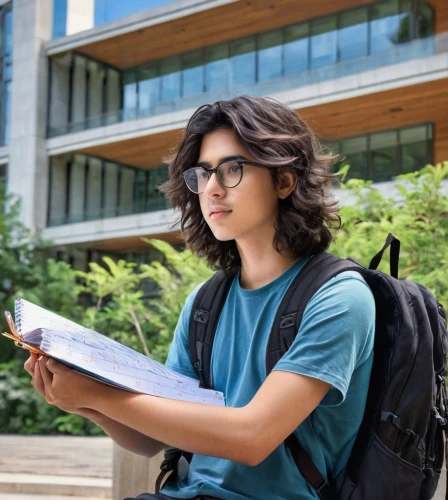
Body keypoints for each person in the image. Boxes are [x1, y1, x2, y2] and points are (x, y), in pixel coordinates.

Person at [25, 95, 375, 500]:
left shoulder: (339, 297)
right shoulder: (206, 304)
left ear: (284, 180)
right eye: (203, 173)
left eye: (232, 169)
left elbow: (252, 437)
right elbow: (146, 440)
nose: (211, 189)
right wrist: (78, 397)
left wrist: (98, 395)